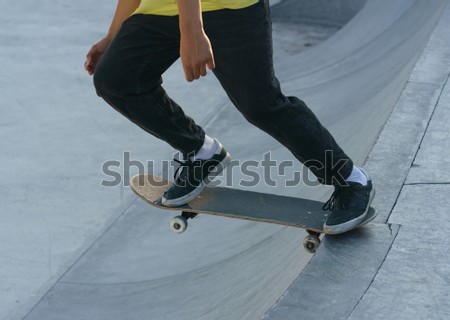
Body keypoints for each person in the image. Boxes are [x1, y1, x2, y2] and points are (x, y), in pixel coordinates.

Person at [85, 0, 374, 234]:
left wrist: (192, 29)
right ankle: (202, 152)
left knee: (261, 104)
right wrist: (113, 36)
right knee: (115, 79)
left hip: (232, 8)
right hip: (162, 9)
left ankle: (350, 179)